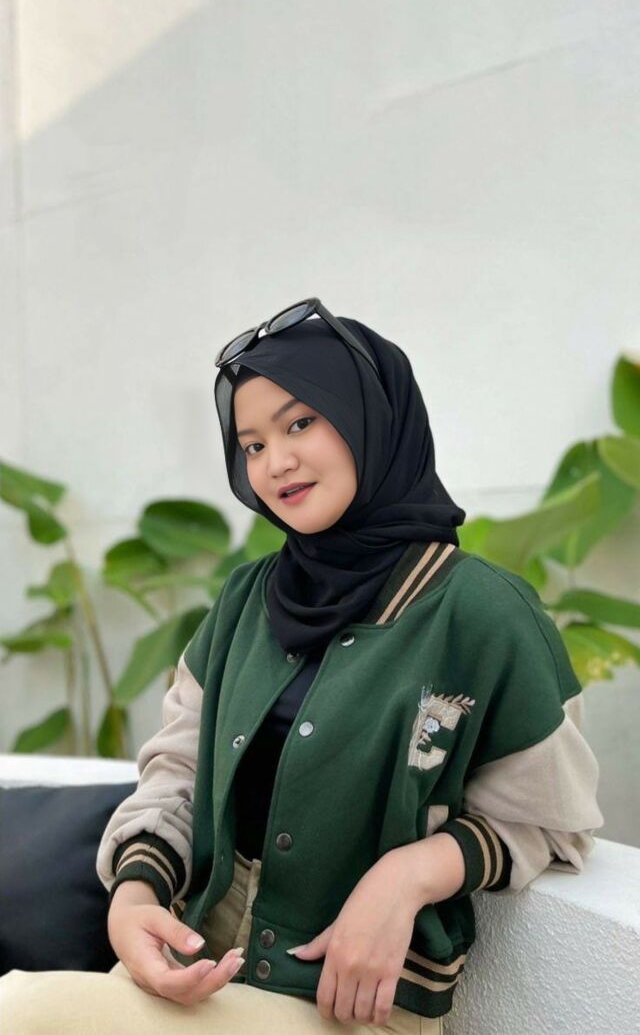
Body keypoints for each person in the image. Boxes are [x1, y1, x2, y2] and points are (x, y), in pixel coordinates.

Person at [1, 298, 604, 1035]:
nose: (275, 462)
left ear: (370, 418)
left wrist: (406, 874)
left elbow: (551, 819)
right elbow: (179, 772)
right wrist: (133, 896)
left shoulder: (482, 612)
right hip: (190, 968)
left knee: (19, 1011)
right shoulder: (245, 600)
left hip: (344, 1002)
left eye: (299, 423)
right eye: (252, 444)